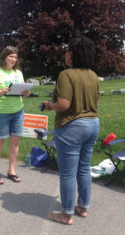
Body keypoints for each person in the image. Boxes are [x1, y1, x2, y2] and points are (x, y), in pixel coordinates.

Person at [43, 36, 100, 225]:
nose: (65, 53)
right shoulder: (93, 74)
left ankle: (66, 214)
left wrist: (50, 105)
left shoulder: (66, 75)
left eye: (67, 50)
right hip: (93, 123)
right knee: (84, 168)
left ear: (73, 53)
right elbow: (96, 103)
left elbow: (64, 104)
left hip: (72, 127)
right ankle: (82, 207)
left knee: (68, 172)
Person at [0, 46, 30, 185]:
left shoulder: (18, 73)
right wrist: (1, 92)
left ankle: (11, 171)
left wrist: (25, 93)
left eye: (15, 57)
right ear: (4, 57)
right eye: (11, 56)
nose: (13, 59)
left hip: (18, 111)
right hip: (1, 113)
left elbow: (22, 89)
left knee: (15, 142)